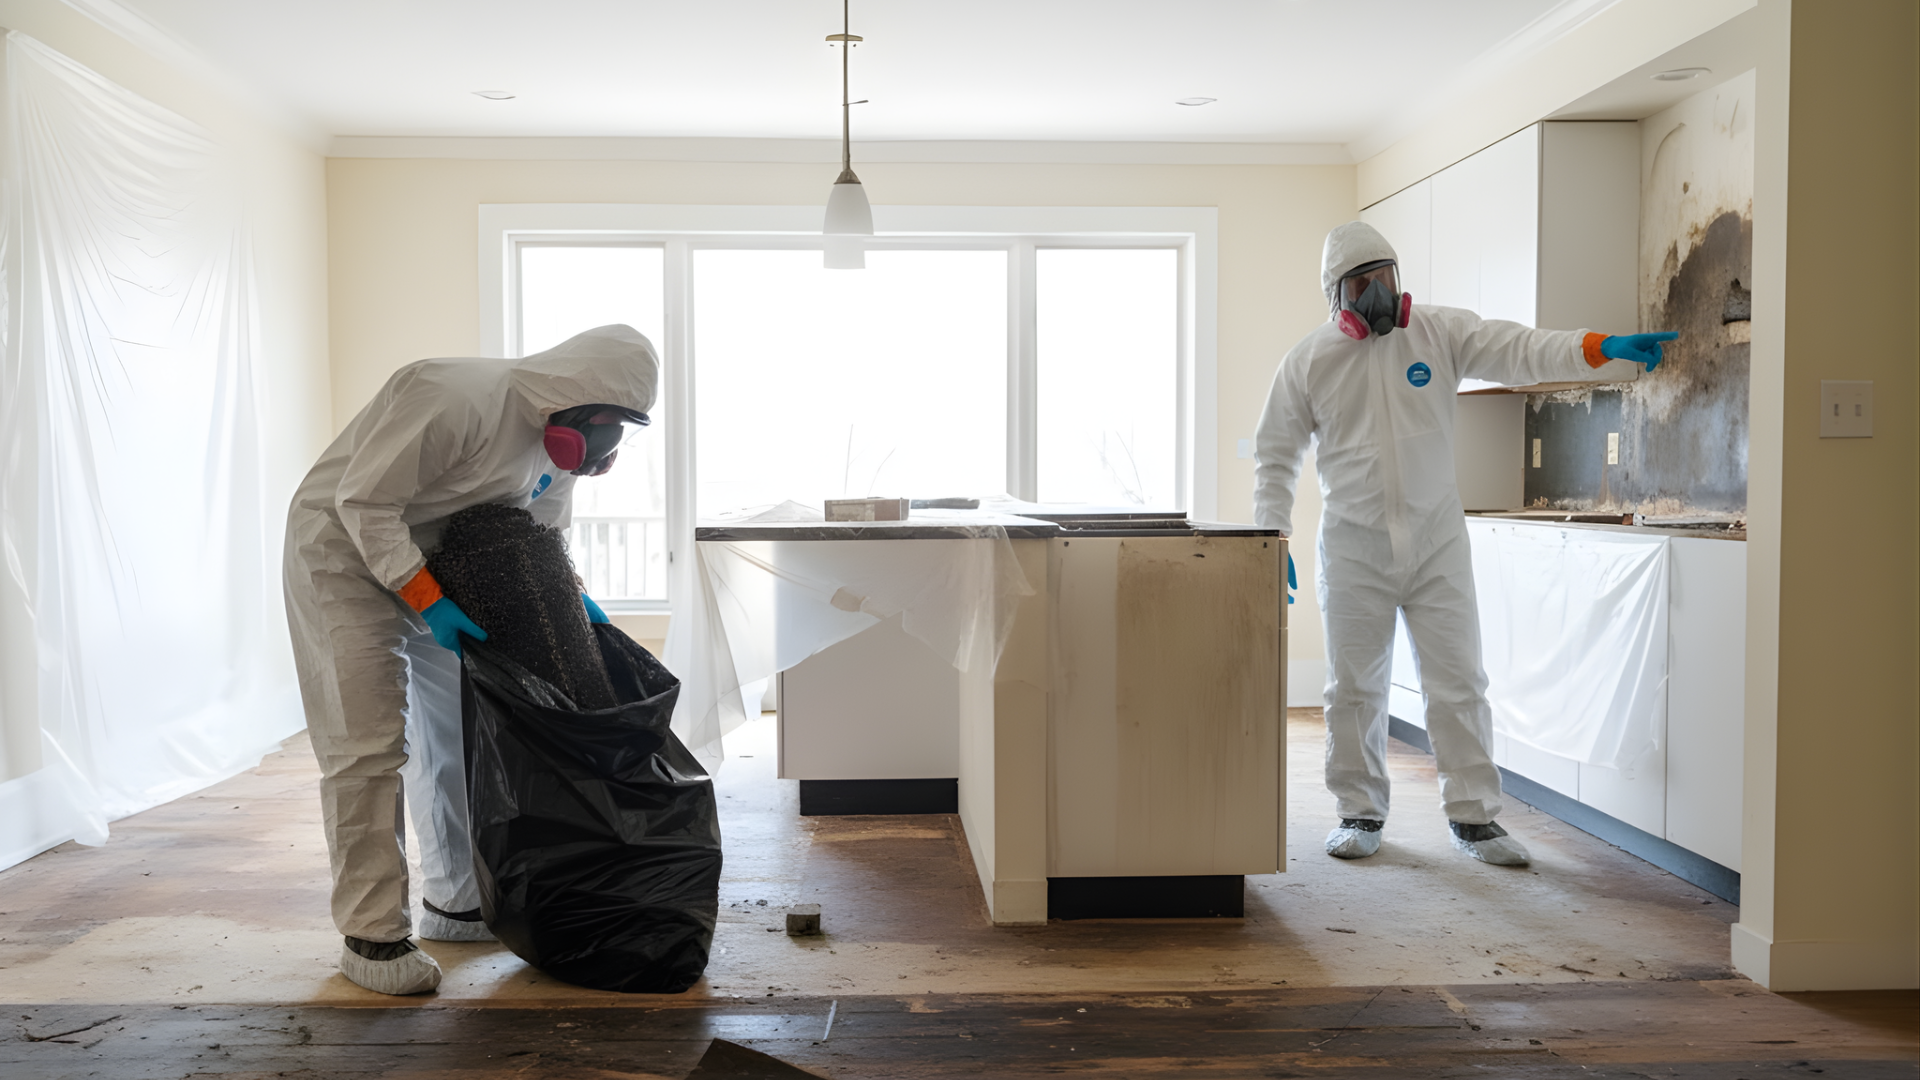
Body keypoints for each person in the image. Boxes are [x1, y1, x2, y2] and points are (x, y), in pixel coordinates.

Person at [1253, 222, 1675, 868]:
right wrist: (1271, 534)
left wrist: (1599, 347)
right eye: (1362, 285)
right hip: (1353, 549)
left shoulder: (1439, 333)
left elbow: (1521, 350)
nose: (1377, 295)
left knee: (1459, 682)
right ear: (1335, 296)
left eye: (1385, 278)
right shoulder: (1309, 361)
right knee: (1354, 689)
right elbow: (1275, 455)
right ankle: (1359, 811)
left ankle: (1474, 818)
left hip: (1436, 545)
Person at [283, 324, 658, 995]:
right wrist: (428, 601)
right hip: (341, 555)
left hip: (443, 565)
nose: (604, 446)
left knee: (461, 734)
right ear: (573, 396)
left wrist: (576, 602)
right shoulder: (454, 395)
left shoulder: (558, 455)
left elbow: (542, 532)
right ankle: (371, 935)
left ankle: (457, 902)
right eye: (604, 423)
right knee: (365, 743)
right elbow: (363, 502)